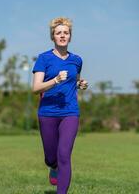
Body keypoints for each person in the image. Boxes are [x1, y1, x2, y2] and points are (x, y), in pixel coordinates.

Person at [32, 17, 88, 194]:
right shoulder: (44, 58)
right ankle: (52, 166)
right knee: (51, 157)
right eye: (59, 33)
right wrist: (55, 80)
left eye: (66, 32)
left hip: (70, 112)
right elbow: (36, 88)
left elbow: (75, 80)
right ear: (53, 37)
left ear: (70, 36)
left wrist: (81, 84)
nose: (62, 35)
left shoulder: (77, 60)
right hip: (47, 112)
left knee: (64, 155)